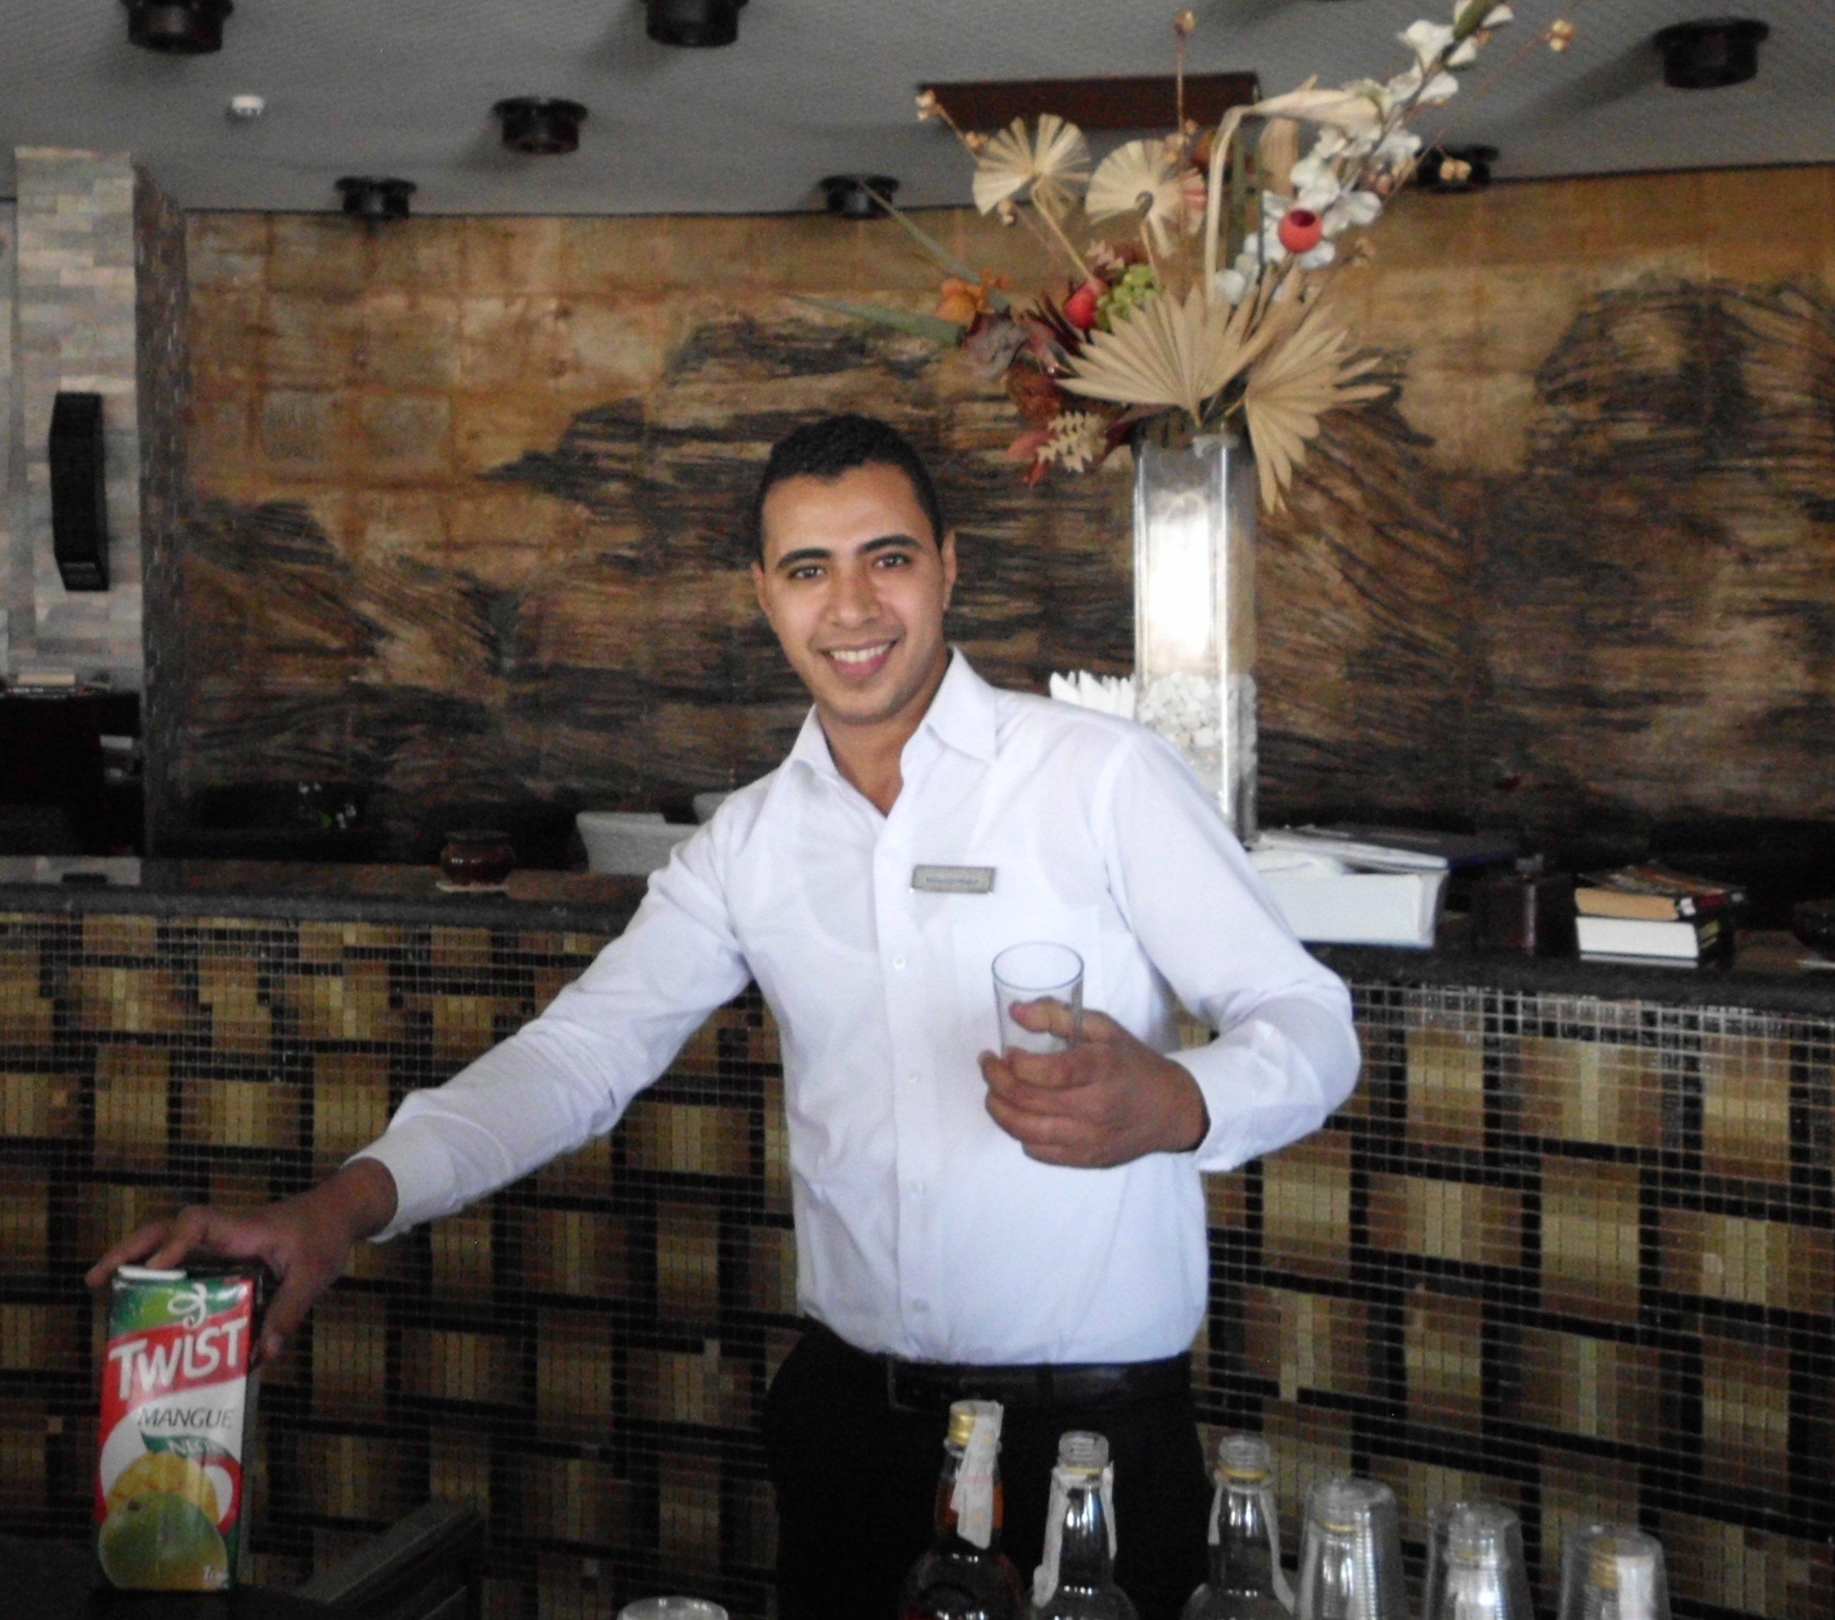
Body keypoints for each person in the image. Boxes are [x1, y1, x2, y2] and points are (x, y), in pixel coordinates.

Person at [89, 414, 1359, 1620]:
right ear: (762, 593)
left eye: (886, 559)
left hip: (1091, 1443)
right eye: (808, 570)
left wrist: (1177, 1101)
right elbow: (578, 1056)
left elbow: (1305, 1018)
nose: (850, 607)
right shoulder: (748, 842)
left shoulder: (1098, 777)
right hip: (852, 1435)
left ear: (947, 567)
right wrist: (338, 1208)